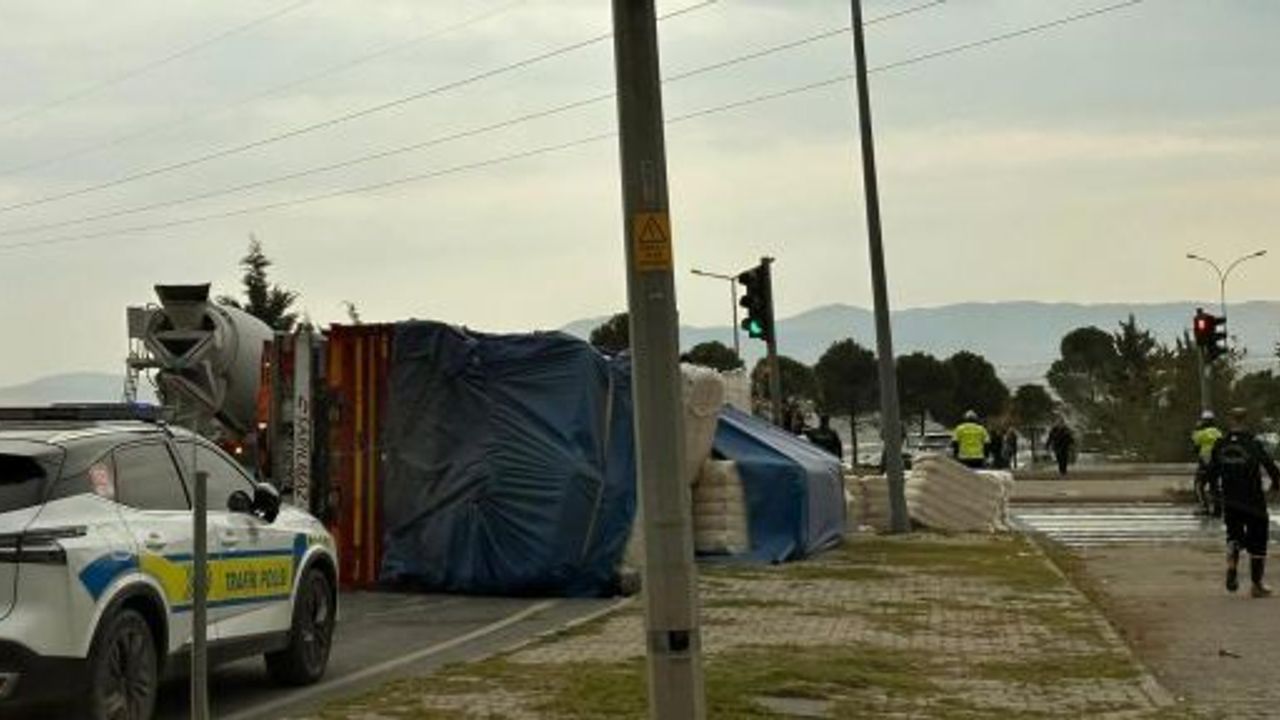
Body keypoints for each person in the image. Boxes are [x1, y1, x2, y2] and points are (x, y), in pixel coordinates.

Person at [1205, 407, 1280, 597]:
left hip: (1230, 499)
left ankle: (1232, 568)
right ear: (1245, 420)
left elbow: (1211, 473)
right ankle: (1256, 585)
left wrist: (1215, 494)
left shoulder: (1220, 444)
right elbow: (1269, 465)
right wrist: (1276, 485)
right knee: (1258, 539)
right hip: (1253, 499)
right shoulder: (1253, 443)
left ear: (1230, 420)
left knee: (1233, 535)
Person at [1191, 411, 1224, 516]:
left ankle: (1204, 507)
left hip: (1205, 462)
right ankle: (1218, 509)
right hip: (1217, 463)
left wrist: (1197, 428)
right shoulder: (1218, 432)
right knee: (1214, 486)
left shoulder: (1201, 433)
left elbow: (1195, 443)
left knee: (1199, 485)